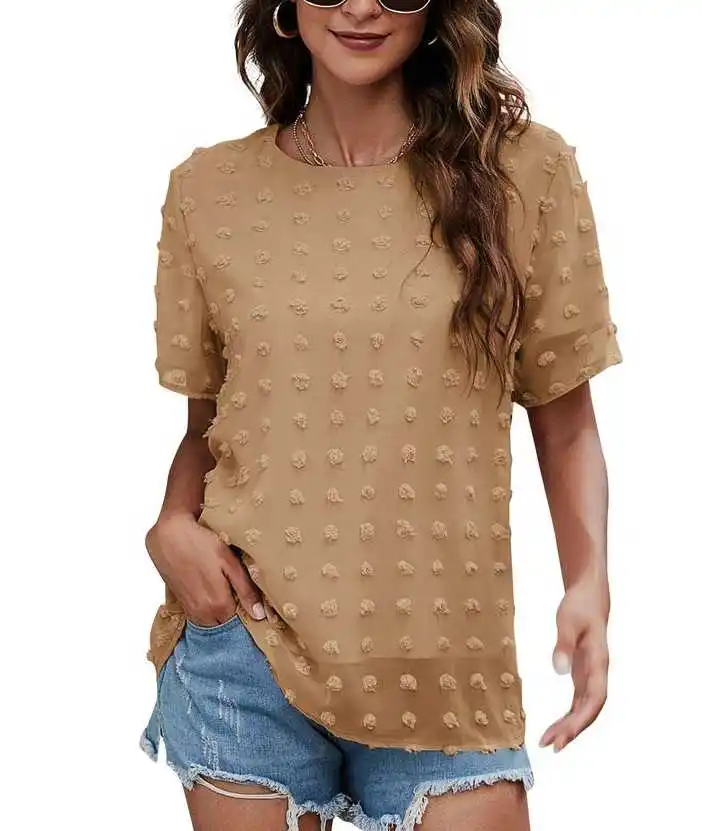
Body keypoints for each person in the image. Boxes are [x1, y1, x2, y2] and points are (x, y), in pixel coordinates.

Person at [139, 1, 623, 829]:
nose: (362, 7)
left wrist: (589, 585)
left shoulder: (524, 172)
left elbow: (565, 415)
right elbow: (208, 423)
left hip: (447, 664)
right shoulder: (207, 189)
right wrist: (170, 526)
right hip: (246, 647)